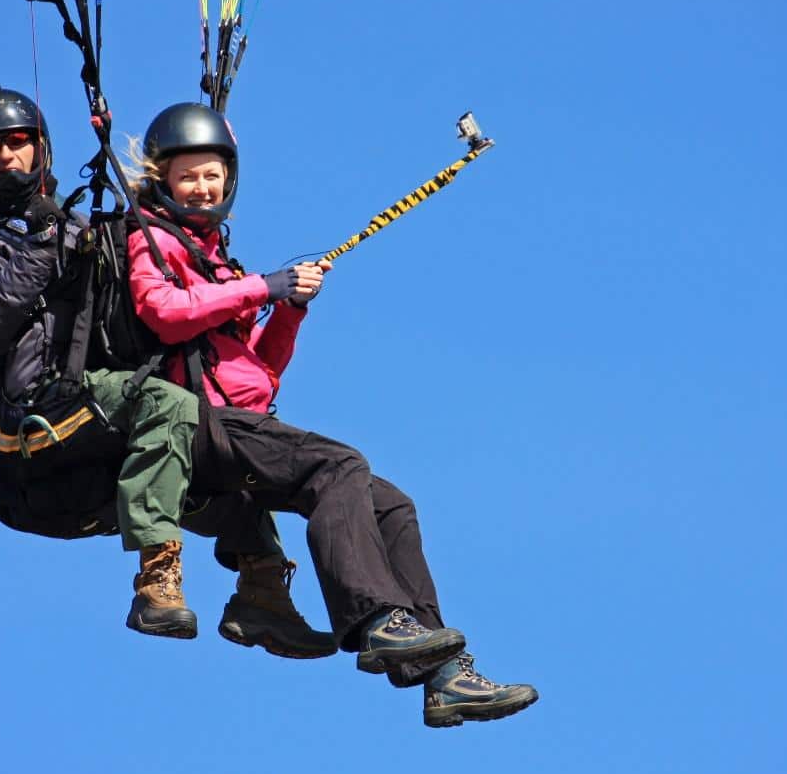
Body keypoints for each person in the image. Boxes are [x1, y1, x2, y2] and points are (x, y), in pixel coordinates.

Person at [120, 102, 539, 727]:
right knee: (338, 464)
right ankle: (374, 618)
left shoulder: (219, 262)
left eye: (212, 175)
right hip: (195, 424)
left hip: (243, 423)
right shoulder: (150, 239)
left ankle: (442, 674)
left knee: (390, 502)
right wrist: (265, 287)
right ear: (163, 181)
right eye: (188, 177)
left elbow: (259, 378)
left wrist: (289, 310)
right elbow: (164, 313)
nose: (202, 188)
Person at [0, 86, 332, 658]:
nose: (7, 157)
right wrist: (41, 248)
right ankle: (156, 582)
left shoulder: (64, 224)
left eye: (18, 143)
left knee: (222, 441)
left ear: (42, 148)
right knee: (168, 405)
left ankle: (262, 593)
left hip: (80, 406)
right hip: (32, 422)